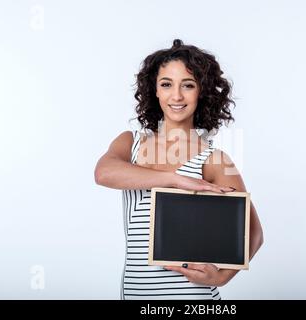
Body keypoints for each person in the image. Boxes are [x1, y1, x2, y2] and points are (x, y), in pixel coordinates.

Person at [95, 39, 263, 300]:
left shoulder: (213, 159)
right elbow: (103, 173)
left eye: (188, 85)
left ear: (202, 92)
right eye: (166, 84)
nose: (176, 96)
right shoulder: (130, 143)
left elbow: (253, 232)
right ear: (155, 91)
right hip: (137, 295)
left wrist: (221, 277)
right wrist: (176, 180)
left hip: (194, 298)